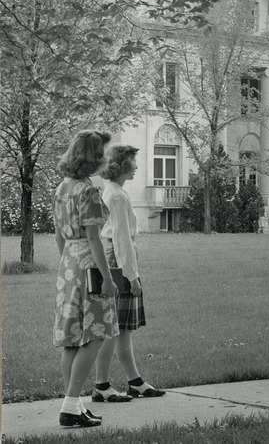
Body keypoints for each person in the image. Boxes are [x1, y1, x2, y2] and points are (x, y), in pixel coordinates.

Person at [52, 130, 118, 428]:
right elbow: (94, 238)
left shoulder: (62, 188)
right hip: (89, 267)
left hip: (68, 264)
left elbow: (58, 236)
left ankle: (75, 405)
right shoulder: (88, 191)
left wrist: (68, 265)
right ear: (94, 156)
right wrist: (107, 277)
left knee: (72, 337)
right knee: (95, 333)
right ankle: (70, 405)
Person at [93, 145, 166, 403]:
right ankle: (101, 384)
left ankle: (135, 381)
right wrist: (132, 276)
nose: (136, 166)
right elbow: (121, 239)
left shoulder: (115, 192)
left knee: (122, 328)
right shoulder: (116, 196)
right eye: (134, 161)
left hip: (117, 261)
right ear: (123, 165)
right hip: (119, 264)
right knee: (113, 328)